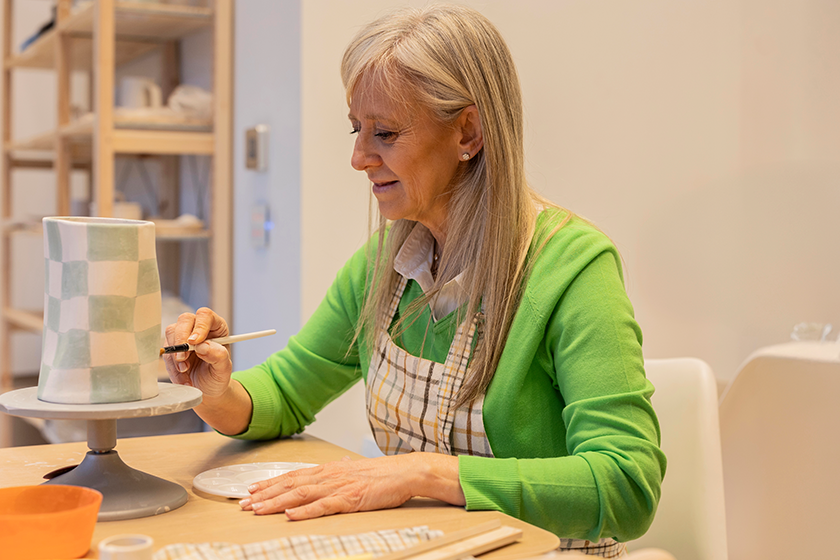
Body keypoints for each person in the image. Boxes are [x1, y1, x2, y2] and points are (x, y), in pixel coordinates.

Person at [164, 4, 666, 557]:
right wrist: (216, 390)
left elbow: (627, 486)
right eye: (357, 130)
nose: (358, 158)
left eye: (385, 133)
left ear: (468, 132)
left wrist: (426, 474)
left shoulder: (571, 268)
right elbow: (283, 395)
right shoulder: (386, 262)